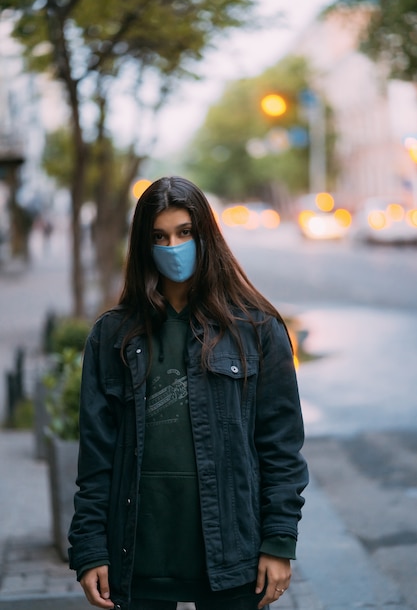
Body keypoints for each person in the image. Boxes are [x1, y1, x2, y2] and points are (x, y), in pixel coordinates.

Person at [68, 176, 308, 610]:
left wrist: (279, 540)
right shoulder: (112, 336)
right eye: (159, 237)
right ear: (143, 244)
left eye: (184, 233)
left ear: (206, 237)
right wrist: (89, 549)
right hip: (138, 554)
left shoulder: (256, 331)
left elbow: (281, 447)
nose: (173, 247)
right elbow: (96, 455)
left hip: (232, 555)